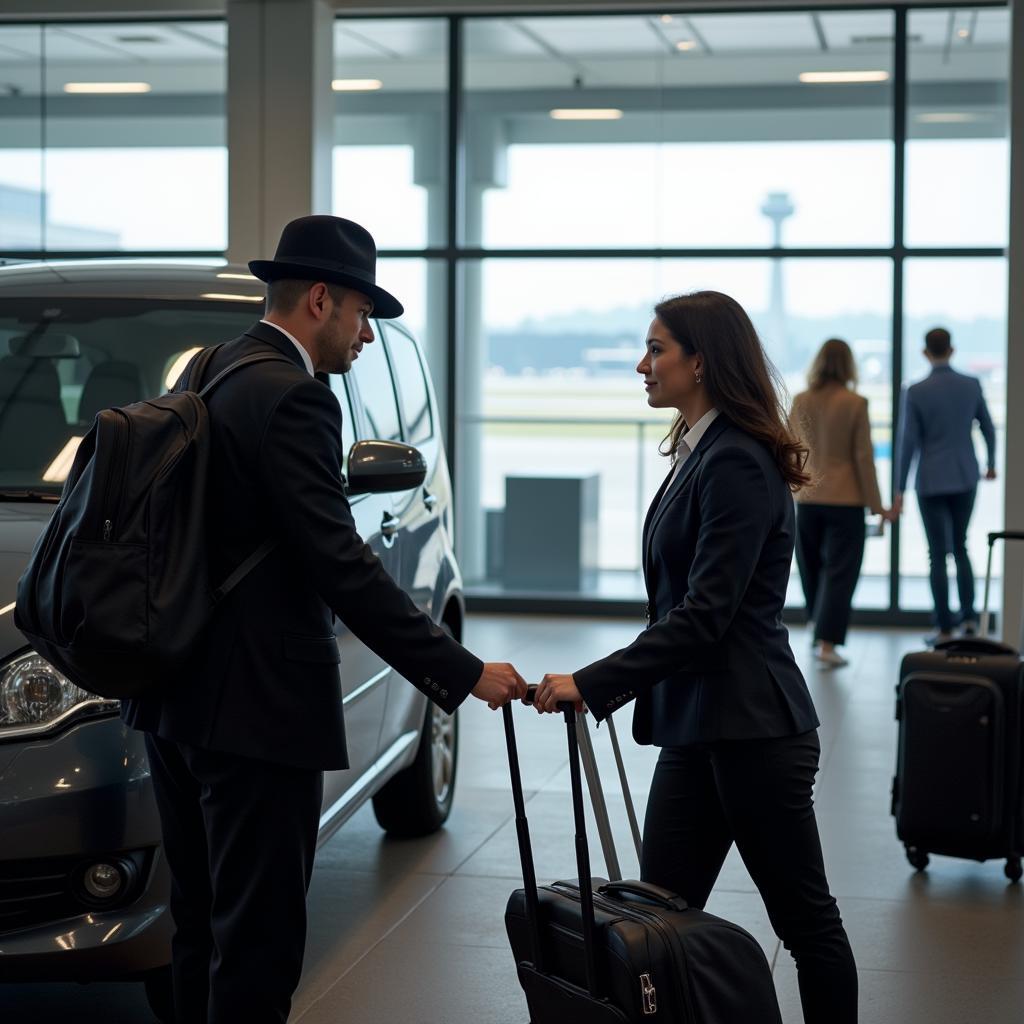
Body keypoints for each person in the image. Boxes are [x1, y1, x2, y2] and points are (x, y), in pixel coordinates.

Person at [122, 215, 526, 1024]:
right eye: (362, 313)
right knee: (260, 947)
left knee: (197, 927)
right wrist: (460, 669)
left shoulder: (212, 367)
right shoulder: (296, 399)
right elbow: (340, 565)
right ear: (319, 300)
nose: (367, 336)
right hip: (257, 716)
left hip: (174, 698)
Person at [533, 291, 858, 1024]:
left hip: (752, 730)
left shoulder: (736, 459)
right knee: (657, 920)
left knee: (805, 924)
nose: (641, 365)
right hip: (695, 727)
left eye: (657, 349)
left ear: (701, 361)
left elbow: (705, 618)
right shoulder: (700, 449)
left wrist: (593, 682)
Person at [789, 338, 894, 668]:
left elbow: (789, 448)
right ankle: (827, 642)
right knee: (841, 572)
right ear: (849, 365)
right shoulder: (855, 403)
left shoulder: (801, 400)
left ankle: (816, 627)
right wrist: (878, 506)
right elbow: (864, 458)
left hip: (806, 498)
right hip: (845, 500)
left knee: (811, 568)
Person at [894, 326, 997, 644]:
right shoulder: (971, 384)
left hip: (931, 480)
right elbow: (988, 427)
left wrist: (899, 489)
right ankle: (968, 620)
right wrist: (991, 463)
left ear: (926, 353)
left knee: (937, 554)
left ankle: (943, 627)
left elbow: (907, 443)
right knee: (962, 546)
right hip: (965, 475)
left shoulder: (916, 390)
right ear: (951, 350)